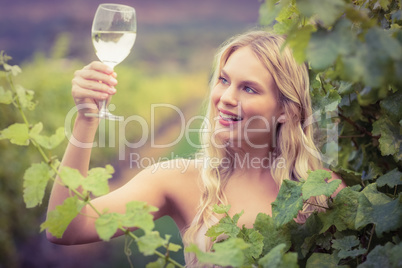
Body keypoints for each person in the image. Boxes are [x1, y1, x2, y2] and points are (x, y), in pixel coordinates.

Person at [46, 30, 345, 266]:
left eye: (248, 88)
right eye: (224, 80)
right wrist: (86, 119)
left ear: (286, 110)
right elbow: (65, 228)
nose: (225, 97)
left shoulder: (322, 193)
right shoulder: (180, 180)